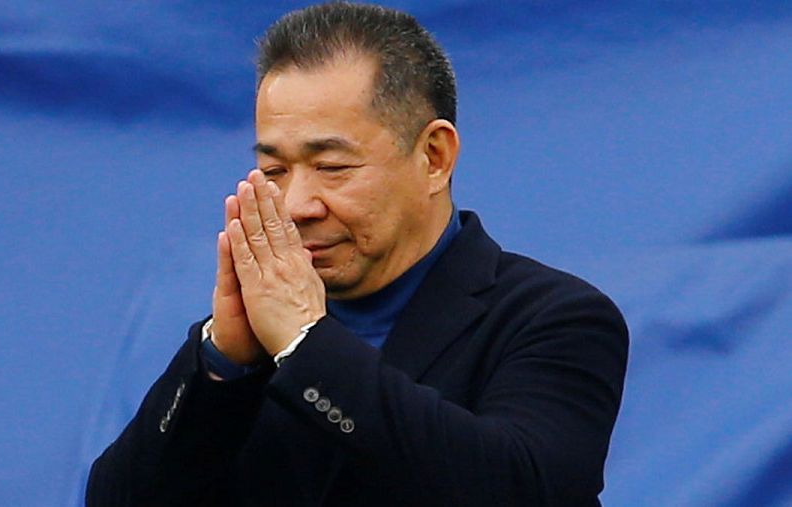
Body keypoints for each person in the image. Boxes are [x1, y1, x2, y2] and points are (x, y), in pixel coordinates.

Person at [86, 3, 628, 506]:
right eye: (274, 171)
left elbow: (521, 488)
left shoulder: (555, 318)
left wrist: (306, 345)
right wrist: (221, 363)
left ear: (434, 157)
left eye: (332, 167)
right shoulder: (252, 339)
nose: (295, 205)